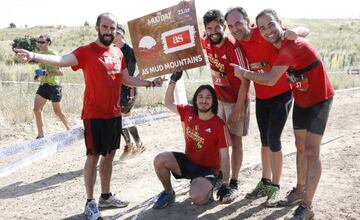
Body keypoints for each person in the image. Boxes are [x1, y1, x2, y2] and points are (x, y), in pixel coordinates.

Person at [13, 13, 164, 220]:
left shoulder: (118, 53)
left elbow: (126, 79)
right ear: (97, 28)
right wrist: (33, 55)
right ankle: (90, 202)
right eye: (105, 27)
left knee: (110, 155)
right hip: (94, 114)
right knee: (93, 158)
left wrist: (149, 83)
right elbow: (61, 60)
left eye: (113, 28)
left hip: (114, 112)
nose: (109, 31)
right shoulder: (86, 51)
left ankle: (106, 196)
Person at [231, 9, 334, 220]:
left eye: (271, 25)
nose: (267, 30)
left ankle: (307, 206)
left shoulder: (289, 46)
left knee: (312, 151)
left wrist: (243, 73)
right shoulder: (274, 41)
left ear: (280, 23)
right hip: (302, 99)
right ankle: (299, 190)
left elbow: (270, 79)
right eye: (263, 28)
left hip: (320, 99)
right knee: (300, 146)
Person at [225, 7, 308, 206]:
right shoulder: (238, 43)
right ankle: (265, 181)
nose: (235, 28)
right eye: (230, 26)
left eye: (238, 23)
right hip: (261, 97)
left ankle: (276, 188)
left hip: (281, 93)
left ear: (247, 21)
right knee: (264, 141)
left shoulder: (263, 32)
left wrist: (297, 30)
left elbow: (302, 31)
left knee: (273, 139)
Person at [153, 71, 232, 209]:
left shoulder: (219, 125)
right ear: (195, 99)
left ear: (213, 101)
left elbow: (225, 157)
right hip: (188, 162)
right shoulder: (188, 111)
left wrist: (226, 184)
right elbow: (168, 102)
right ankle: (168, 192)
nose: (204, 100)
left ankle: (206, 187)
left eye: (208, 97)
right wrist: (173, 81)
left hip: (207, 170)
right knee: (160, 159)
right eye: (200, 97)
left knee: (197, 198)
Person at [201, 9, 250, 200]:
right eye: (209, 28)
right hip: (218, 99)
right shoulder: (206, 42)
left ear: (224, 26)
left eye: (217, 27)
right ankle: (221, 174)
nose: (214, 31)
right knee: (219, 140)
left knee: (235, 140)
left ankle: (234, 182)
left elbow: (245, 80)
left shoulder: (233, 48)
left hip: (236, 99)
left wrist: (237, 109)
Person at [113, 24, 145, 160]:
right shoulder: (112, 50)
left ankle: (129, 145)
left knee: (119, 118)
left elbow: (144, 67)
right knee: (126, 119)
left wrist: (134, 82)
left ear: (121, 34)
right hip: (116, 90)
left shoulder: (131, 50)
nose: (113, 35)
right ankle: (138, 145)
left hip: (129, 90)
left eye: (116, 32)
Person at [33, 34, 70, 139]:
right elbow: (41, 70)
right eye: (38, 42)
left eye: (42, 42)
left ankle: (69, 129)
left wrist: (49, 73)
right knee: (36, 109)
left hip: (54, 86)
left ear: (48, 43)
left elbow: (61, 72)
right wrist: (37, 75)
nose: (39, 44)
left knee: (57, 112)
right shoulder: (39, 54)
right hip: (43, 85)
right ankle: (40, 135)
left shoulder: (53, 54)